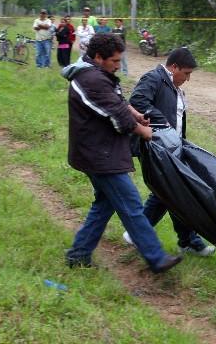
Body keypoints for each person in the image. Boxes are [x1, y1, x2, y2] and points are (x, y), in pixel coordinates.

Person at [63, 33, 182, 274]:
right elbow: (116, 117)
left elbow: (115, 102)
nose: (118, 66)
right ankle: (156, 258)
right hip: (100, 155)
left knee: (104, 205)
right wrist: (143, 130)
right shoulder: (91, 80)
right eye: (115, 61)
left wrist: (134, 112)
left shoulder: (93, 73)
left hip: (96, 152)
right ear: (98, 57)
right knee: (131, 204)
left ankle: (78, 254)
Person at [122, 47, 216, 257]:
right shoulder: (153, 78)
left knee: (173, 192)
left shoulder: (171, 84)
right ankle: (143, 234)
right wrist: (161, 121)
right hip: (157, 148)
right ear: (174, 67)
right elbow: (137, 102)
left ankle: (186, 240)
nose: (188, 78)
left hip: (172, 147)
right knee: (169, 192)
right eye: (187, 73)